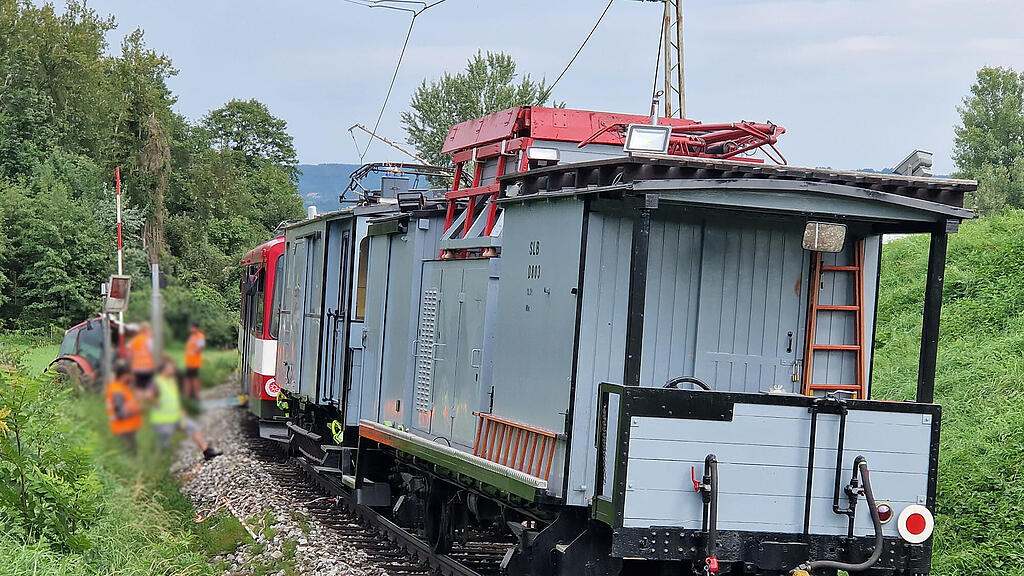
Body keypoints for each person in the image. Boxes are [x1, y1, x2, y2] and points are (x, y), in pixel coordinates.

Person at [150, 357, 222, 460]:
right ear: (164, 369)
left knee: (194, 428)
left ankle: (206, 451)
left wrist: (180, 410)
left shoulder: (170, 381)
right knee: (163, 445)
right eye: (170, 367)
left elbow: (172, 399)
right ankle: (156, 462)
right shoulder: (157, 382)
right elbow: (149, 395)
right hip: (163, 420)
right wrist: (157, 405)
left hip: (176, 417)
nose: (173, 369)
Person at [105, 362, 142, 455]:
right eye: (131, 374)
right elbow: (120, 413)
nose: (133, 377)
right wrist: (136, 410)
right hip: (123, 431)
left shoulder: (122, 388)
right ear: (125, 375)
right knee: (128, 457)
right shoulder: (118, 391)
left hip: (127, 430)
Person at [128, 321, 156, 389]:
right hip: (147, 367)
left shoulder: (134, 340)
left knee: (138, 386)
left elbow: (129, 354)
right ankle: (146, 398)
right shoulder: (148, 340)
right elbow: (154, 352)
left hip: (136, 368)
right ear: (147, 329)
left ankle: (140, 398)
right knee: (147, 386)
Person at [184, 321, 206, 399]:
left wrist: (193, 351)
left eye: (192, 328)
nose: (190, 329)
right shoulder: (192, 336)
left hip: (195, 362)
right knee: (188, 378)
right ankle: (188, 395)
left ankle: (195, 395)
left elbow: (200, 348)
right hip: (189, 362)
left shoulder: (200, 336)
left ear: (196, 328)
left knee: (193, 378)